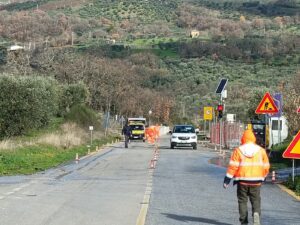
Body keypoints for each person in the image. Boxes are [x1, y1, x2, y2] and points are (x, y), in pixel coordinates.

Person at [223, 129, 270, 225]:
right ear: (253, 138)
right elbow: (266, 166)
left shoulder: (238, 150)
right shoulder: (261, 151)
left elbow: (233, 166)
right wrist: (263, 177)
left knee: (242, 201)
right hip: (256, 181)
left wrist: (227, 180)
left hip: (242, 181)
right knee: (256, 200)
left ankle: (244, 222)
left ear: (243, 139)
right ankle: (256, 213)